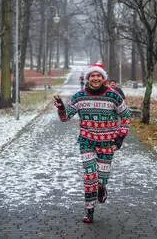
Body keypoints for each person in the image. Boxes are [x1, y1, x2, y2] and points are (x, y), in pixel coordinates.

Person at [53, 62, 131, 223]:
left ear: (103, 78)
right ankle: (89, 212)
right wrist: (61, 107)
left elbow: (126, 116)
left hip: (107, 144)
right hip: (87, 141)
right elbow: (65, 117)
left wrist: (120, 138)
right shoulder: (80, 96)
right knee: (90, 176)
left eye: (98, 76)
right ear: (88, 78)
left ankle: (101, 187)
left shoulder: (113, 96)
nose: (95, 78)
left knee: (101, 178)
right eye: (92, 76)